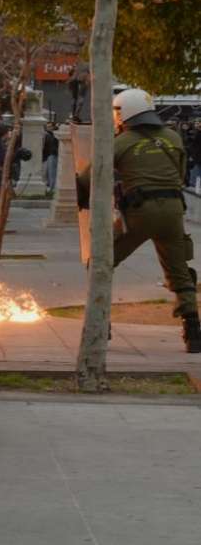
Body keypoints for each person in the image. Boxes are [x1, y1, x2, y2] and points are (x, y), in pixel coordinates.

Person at [77, 89, 199, 352]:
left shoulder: (120, 142)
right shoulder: (173, 137)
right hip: (174, 211)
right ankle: (193, 330)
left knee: (101, 262)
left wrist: (83, 199)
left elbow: (90, 176)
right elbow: (178, 175)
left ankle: (101, 323)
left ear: (123, 113)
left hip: (139, 213)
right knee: (179, 272)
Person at [43, 123, 60, 196]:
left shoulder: (54, 135)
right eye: (47, 127)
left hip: (53, 154)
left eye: (50, 126)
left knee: (52, 172)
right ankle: (50, 186)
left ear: (53, 127)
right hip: (50, 155)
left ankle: (52, 188)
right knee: (49, 172)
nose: (48, 128)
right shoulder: (48, 135)